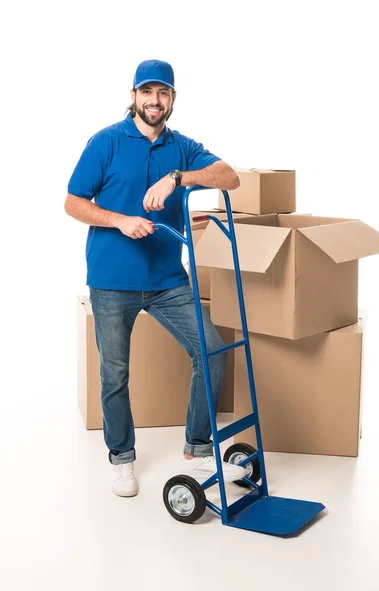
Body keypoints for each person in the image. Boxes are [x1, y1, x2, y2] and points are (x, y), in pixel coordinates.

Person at [65, 59, 246, 497]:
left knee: (212, 350)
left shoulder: (180, 147)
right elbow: (73, 202)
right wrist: (119, 221)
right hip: (111, 282)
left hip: (168, 280)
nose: (154, 101)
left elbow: (230, 177)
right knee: (115, 373)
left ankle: (198, 444)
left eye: (163, 93)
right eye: (147, 92)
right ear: (133, 96)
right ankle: (122, 460)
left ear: (172, 100)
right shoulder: (106, 142)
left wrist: (176, 177)